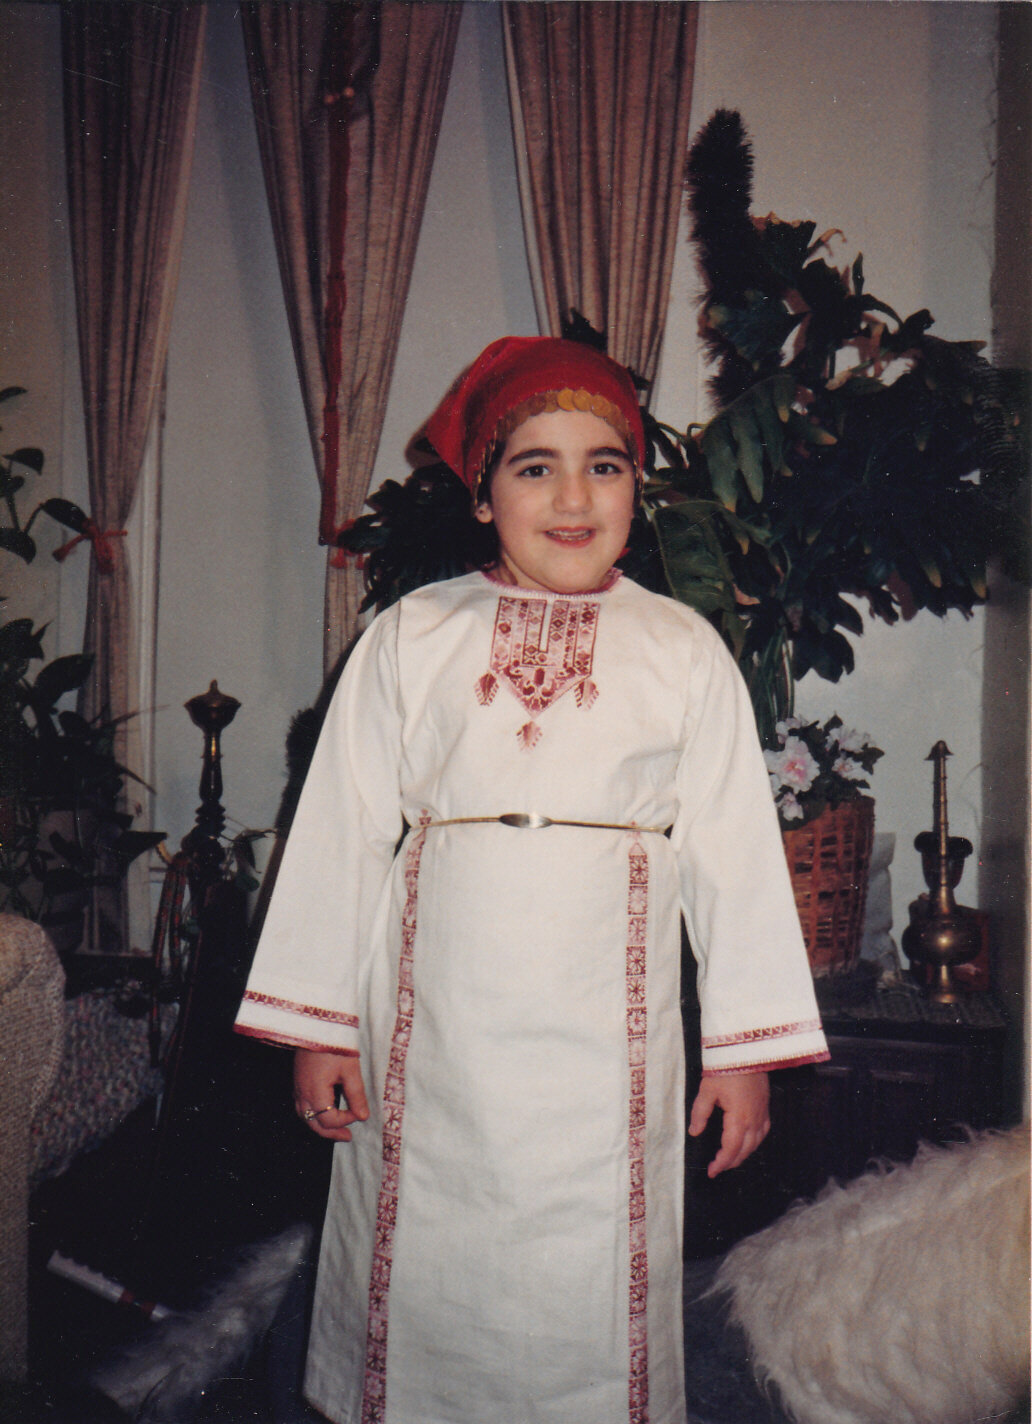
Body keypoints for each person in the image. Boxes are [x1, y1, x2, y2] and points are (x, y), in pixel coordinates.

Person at [235, 337, 829, 1424]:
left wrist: (745, 1051)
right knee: (419, 1269)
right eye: (534, 466)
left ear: (635, 489)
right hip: (431, 1034)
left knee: (589, 1279)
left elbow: (734, 852)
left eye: (604, 465)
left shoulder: (682, 647)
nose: (572, 496)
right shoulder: (412, 635)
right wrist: (320, 1025)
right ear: (482, 494)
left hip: (607, 1051)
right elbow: (343, 828)